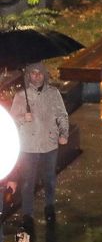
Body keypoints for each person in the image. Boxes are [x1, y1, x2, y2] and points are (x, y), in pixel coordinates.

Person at [10, 63, 69, 226]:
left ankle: (49, 207)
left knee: (49, 179)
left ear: (45, 75)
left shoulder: (53, 93)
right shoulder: (21, 96)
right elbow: (13, 121)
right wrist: (23, 118)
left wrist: (64, 134)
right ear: (28, 75)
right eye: (33, 73)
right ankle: (27, 214)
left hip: (49, 144)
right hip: (28, 146)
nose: (36, 76)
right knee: (28, 182)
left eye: (40, 73)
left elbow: (62, 115)